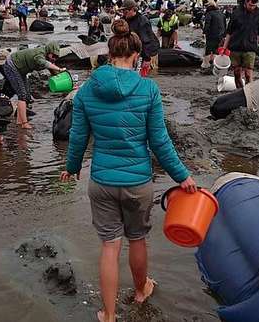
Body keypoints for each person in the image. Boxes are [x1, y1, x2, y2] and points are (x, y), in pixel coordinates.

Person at [60, 20, 197, 322]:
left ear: (109, 55)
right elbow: (160, 142)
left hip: (102, 181)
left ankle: (108, 315)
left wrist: (71, 168)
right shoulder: (148, 88)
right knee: (137, 239)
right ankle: (140, 290)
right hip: (137, 182)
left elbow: (78, 136)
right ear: (136, 55)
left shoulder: (86, 91)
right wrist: (182, 176)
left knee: (109, 246)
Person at [3, 42, 64, 129]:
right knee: (22, 95)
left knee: (27, 95)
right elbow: (44, 63)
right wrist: (59, 68)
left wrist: (63, 79)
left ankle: (19, 121)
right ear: (48, 51)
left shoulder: (48, 59)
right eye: (53, 56)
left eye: (56, 57)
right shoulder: (40, 54)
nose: (54, 58)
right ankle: (24, 123)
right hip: (11, 65)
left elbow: (52, 71)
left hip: (21, 70)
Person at [222, 0, 259, 88]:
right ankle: (239, 92)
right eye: (250, 5)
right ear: (246, 2)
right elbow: (229, 32)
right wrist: (224, 48)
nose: (252, 7)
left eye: (254, 6)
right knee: (237, 73)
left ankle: (249, 95)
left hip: (250, 47)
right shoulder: (236, 13)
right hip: (235, 47)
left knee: (248, 74)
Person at [121, 0, 159, 76]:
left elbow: (146, 41)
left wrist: (147, 59)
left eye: (125, 11)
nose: (124, 13)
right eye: (122, 11)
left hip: (147, 51)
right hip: (133, 51)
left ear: (132, 10)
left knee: (141, 75)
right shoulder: (125, 20)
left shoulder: (142, 21)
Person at [203, 1, 226, 68]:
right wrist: (224, 35)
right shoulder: (221, 14)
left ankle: (206, 65)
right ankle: (215, 65)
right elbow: (225, 25)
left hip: (211, 34)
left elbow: (207, 24)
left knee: (208, 49)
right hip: (221, 35)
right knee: (217, 50)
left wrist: (204, 33)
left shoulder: (209, 13)